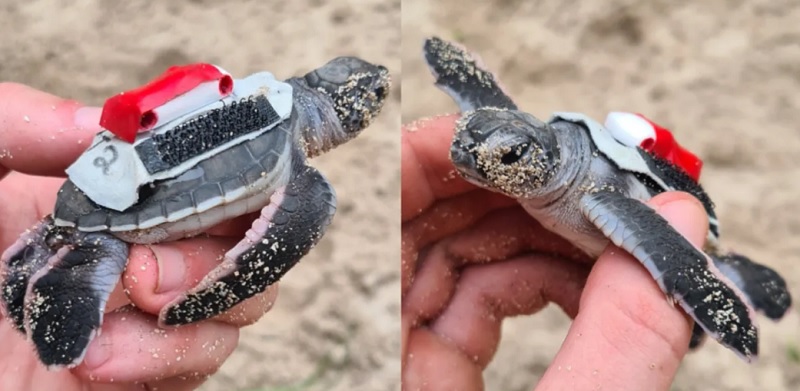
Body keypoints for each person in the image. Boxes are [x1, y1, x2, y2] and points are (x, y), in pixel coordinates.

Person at [0, 83, 277, 391]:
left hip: (92, 192)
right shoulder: (284, 136)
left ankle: (54, 253)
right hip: (127, 211)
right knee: (103, 248)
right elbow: (281, 241)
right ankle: (71, 269)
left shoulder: (259, 94)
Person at [401, 114, 708, 390]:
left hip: (646, 205)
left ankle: (703, 317)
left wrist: (699, 291)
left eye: (509, 156)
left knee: (675, 275)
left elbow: (667, 247)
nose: (469, 162)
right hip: (578, 252)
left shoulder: (592, 193)